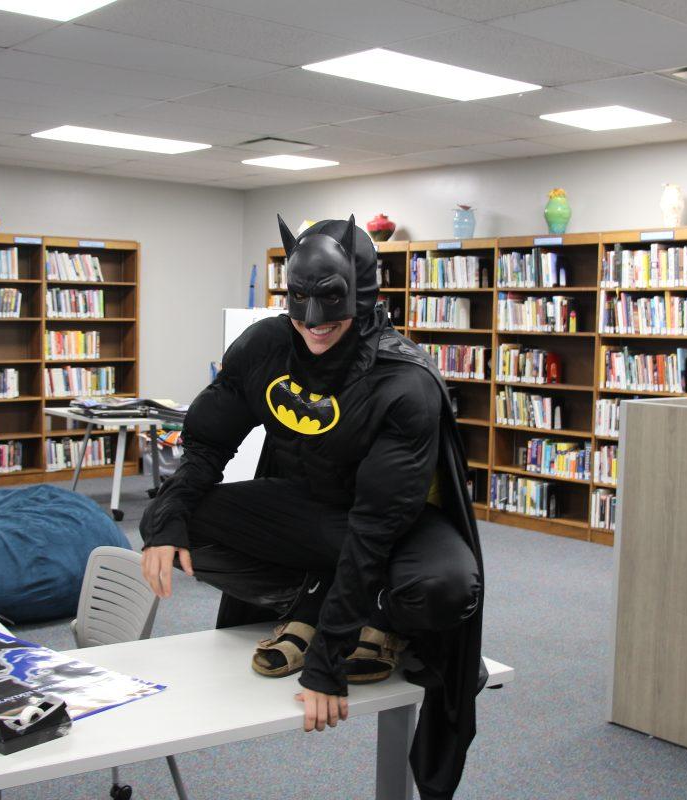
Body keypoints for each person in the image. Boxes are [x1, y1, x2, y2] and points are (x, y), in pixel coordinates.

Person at [140, 215, 485, 799]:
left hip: (398, 528)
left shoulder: (403, 382)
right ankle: (316, 592)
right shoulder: (269, 345)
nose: (314, 325)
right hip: (314, 511)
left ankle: (361, 614)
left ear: (364, 294)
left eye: (331, 305)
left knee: (446, 591)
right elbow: (206, 442)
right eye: (300, 304)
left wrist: (326, 659)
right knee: (177, 522)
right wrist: (165, 522)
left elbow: (377, 528)